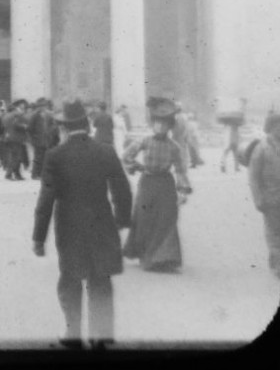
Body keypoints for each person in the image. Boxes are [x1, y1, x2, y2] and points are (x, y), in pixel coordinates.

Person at [33, 99, 134, 348]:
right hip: (101, 223)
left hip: (69, 227)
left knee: (70, 279)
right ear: (87, 125)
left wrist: (38, 237)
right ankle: (101, 336)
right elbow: (123, 190)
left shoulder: (55, 156)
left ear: (64, 127)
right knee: (100, 278)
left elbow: (46, 198)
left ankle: (73, 335)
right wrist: (121, 219)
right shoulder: (105, 151)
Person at [121, 96, 192, 272]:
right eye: (157, 123)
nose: (160, 127)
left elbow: (181, 170)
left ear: (170, 126)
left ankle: (165, 258)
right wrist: (136, 167)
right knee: (145, 218)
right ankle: (146, 257)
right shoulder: (145, 141)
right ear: (152, 124)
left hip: (165, 185)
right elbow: (126, 156)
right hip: (147, 183)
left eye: (164, 124)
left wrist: (183, 190)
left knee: (166, 219)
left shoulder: (174, 147)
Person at [247, 112, 280, 278]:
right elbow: (254, 177)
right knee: (275, 233)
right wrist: (258, 198)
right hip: (271, 198)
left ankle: (277, 261)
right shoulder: (261, 148)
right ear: (270, 128)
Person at [2, 100, 30, 180]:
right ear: (18, 106)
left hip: (8, 138)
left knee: (14, 156)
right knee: (16, 157)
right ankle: (9, 174)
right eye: (22, 106)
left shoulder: (7, 115)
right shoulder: (18, 114)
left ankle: (17, 174)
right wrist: (25, 126)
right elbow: (16, 124)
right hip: (16, 138)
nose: (23, 107)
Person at [28, 98, 55, 179]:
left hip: (46, 140)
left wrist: (50, 133)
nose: (44, 107)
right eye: (42, 106)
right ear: (39, 106)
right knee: (38, 158)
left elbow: (51, 125)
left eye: (44, 105)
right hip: (37, 140)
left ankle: (40, 174)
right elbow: (30, 128)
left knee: (43, 157)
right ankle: (34, 174)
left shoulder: (48, 114)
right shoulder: (34, 115)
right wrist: (33, 137)